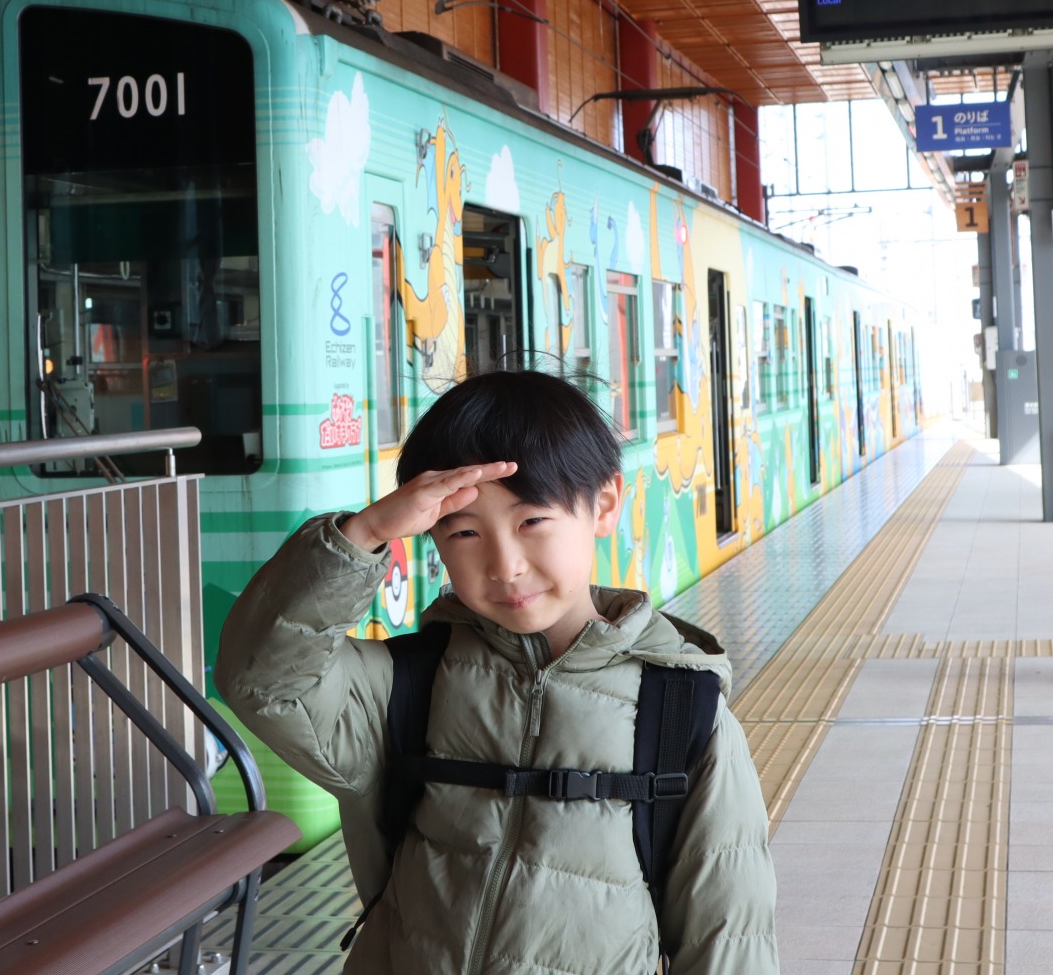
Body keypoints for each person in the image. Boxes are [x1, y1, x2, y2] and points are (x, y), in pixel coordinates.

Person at [217, 369, 778, 974]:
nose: (504, 566)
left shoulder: (681, 709)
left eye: (532, 521)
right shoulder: (407, 684)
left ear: (606, 505)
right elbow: (264, 680)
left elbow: (729, 935)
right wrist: (363, 535)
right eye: (462, 532)